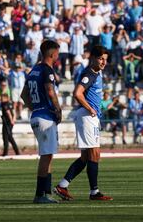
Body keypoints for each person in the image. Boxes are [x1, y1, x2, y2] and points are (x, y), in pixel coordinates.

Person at [53, 45, 112, 201]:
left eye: (105, 59)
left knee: (87, 157)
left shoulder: (97, 73)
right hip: (87, 116)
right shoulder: (89, 74)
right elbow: (77, 93)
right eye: (100, 59)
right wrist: (91, 108)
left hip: (89, 117)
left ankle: (62, 185)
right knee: (94, 153)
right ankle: (94, 192)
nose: (103, 62)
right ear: (92, 58)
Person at [20, 40, 62, 204]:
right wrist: (58, 110)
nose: (58, 56)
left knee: (48, 154)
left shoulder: (33, 70)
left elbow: (24, 95)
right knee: (46, 156)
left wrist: (35, 108)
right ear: (52, 54)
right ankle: (40, 195)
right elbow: (50, 91)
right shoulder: (46, 70)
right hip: (45, 116)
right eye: (57, 54)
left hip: (37, 115)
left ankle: (45, 192)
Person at [0, 91, 20, 156]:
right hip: (10, 122)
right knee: (9, 136)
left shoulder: (4, 104)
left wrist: (11, 120)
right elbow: (13, 112)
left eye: (2, 97)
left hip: (7, 122)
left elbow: (8, 112)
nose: (1, 99)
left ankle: (6, 153)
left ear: (5, 98)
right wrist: (13, 119)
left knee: (7, 137)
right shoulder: (10, 103)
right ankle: (15, 151)